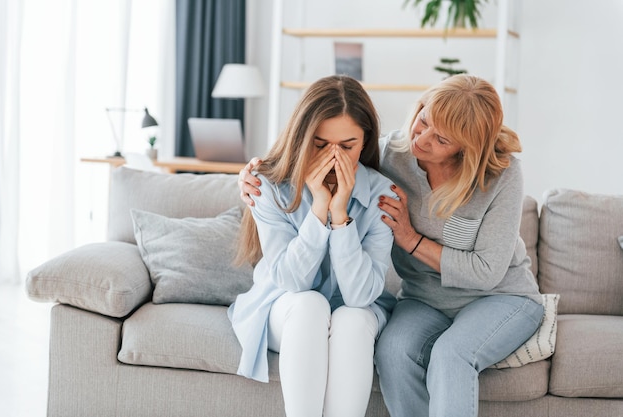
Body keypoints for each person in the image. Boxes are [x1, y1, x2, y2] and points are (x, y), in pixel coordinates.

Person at [238, 74, 545, 417]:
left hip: (499, 296)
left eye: (441, 138)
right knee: (393, 351)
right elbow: (317, 149)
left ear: (466, 148)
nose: (422, 139)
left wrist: (411, 240)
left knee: (450, 353)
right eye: (423, 120)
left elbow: (487, 272)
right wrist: (249, 173)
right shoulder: (390, 155)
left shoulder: (500, 174)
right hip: (424, 298)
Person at [228, 74, 397, 417]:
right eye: (320, 145)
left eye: (347, 146)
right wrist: (319, 208)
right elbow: (292, 282)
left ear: (364, 143)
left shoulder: (382, 194)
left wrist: (340, 216)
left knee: (351, 318)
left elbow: (360, 296)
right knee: (310, 306)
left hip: (357, 311)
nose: (333, 159)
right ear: (302, 138)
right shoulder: (267, 185)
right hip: (285, 309)